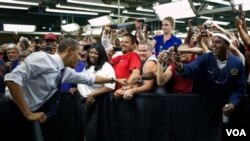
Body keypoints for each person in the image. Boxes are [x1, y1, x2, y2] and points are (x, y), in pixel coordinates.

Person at [0, 38, 125, 141]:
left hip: (24, 114)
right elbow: (12, 79)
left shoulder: (64, 71)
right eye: (79, 54)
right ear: (69, 51)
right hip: (11, 110)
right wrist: (28, 113)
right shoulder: (42, 59)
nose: (81, 58)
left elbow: (89, 78)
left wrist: (114, 80)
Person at [173, 33, 246, 122]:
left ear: (226, 46)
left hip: (225, 105)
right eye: (213, 42)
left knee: (224, 130)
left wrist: (233, 103)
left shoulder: (236, 63)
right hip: (204, 103)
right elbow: (190, 69)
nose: (213, 45)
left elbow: (239, 87)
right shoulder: (205, 58)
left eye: (218, 42)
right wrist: (180, 66)